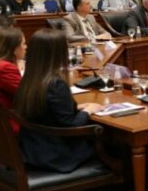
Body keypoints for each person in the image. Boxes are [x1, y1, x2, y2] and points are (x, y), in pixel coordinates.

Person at [14, 29, 103, 173]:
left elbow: (44, 111)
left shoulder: (28, 79)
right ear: (58, 53)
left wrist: (75, 107)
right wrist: (88, 111)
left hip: (33, 151)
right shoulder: (56, 84)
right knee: (114, 145)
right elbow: (71, 127)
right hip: (58, 156)